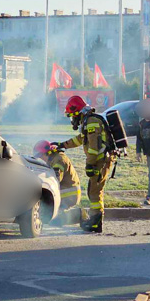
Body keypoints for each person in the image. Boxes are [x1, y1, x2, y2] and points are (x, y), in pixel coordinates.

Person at [56, 95, 112, 233]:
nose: (72, 120)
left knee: (94, 191)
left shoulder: (91, 122)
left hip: (100, 161)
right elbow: (81, 139)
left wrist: (90, 165)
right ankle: (95, 219)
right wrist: (62, 145)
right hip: (100, 160)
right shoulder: (88, 122)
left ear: (77, 113)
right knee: (93, 190)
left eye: (71, 116)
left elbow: (93, 147)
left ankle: (96, 222)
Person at [33, 140, 81, 223]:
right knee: (47, 216)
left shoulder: (59, 159)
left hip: (69, 194)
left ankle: (79, 214)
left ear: (47, 153)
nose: (39, 158)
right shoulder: (52, 158)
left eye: (40, 155)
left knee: (52, 219)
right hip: (64, 191)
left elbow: (55, 180)